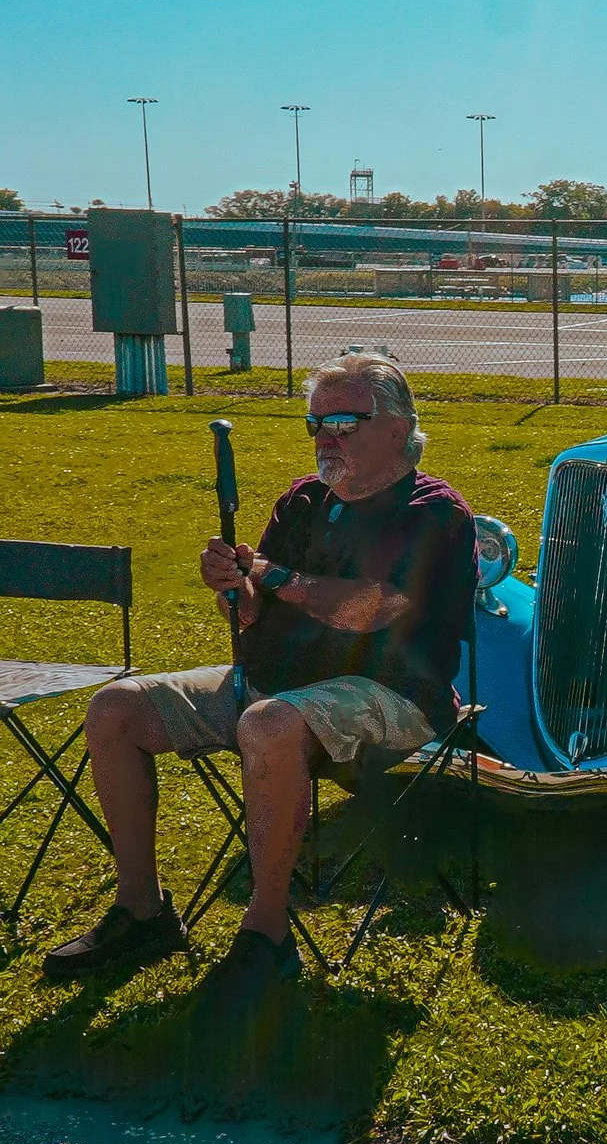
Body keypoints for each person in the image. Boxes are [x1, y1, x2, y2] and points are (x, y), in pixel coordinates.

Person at [43, 350, 477, 993]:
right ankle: (142, 911)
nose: (327, 437)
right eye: (316, 422)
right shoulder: (303, 501)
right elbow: (253, 613)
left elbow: (368, 609)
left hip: (393, 695)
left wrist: (270, 575)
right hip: (270, 685)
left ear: (396, 426)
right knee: (116, 708)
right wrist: (233, 587)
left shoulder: (435, 512)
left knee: (270, 724)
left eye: (345, 422)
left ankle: (266, 935)